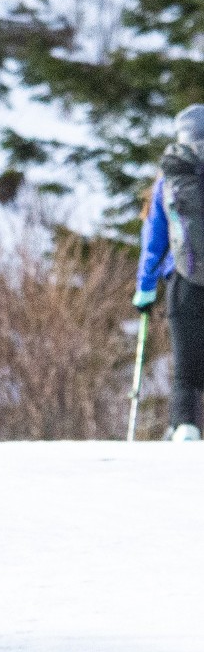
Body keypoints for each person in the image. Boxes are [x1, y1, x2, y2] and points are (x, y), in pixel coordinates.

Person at [133, 104, 204, 441]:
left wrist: (145, 290)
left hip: (183, 280)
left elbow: (154, 241)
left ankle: (184, 429)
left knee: (186, 371)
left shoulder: (169, 178)